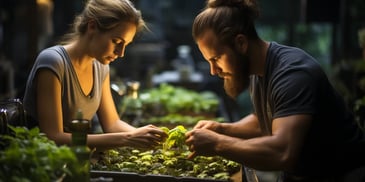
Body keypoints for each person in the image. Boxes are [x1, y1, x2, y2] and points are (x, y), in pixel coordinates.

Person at [185, 0, 365, 181]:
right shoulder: (258, 70)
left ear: (241, 43)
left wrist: (217, 143)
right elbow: (264, 120)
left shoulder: (293, 73)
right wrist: (221, 129)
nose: (213, 70)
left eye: (216, 58)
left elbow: (282, 152)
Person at [23, 0, 167, 150]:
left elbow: (112, 124)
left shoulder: (100, 66)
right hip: (44, 162)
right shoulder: (53, 62)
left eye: (125, 45)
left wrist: (150, 136)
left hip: (76, 158)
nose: (121, 53)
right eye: (116, 41)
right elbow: (54, 137)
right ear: (92, 26)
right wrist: (129, 138)